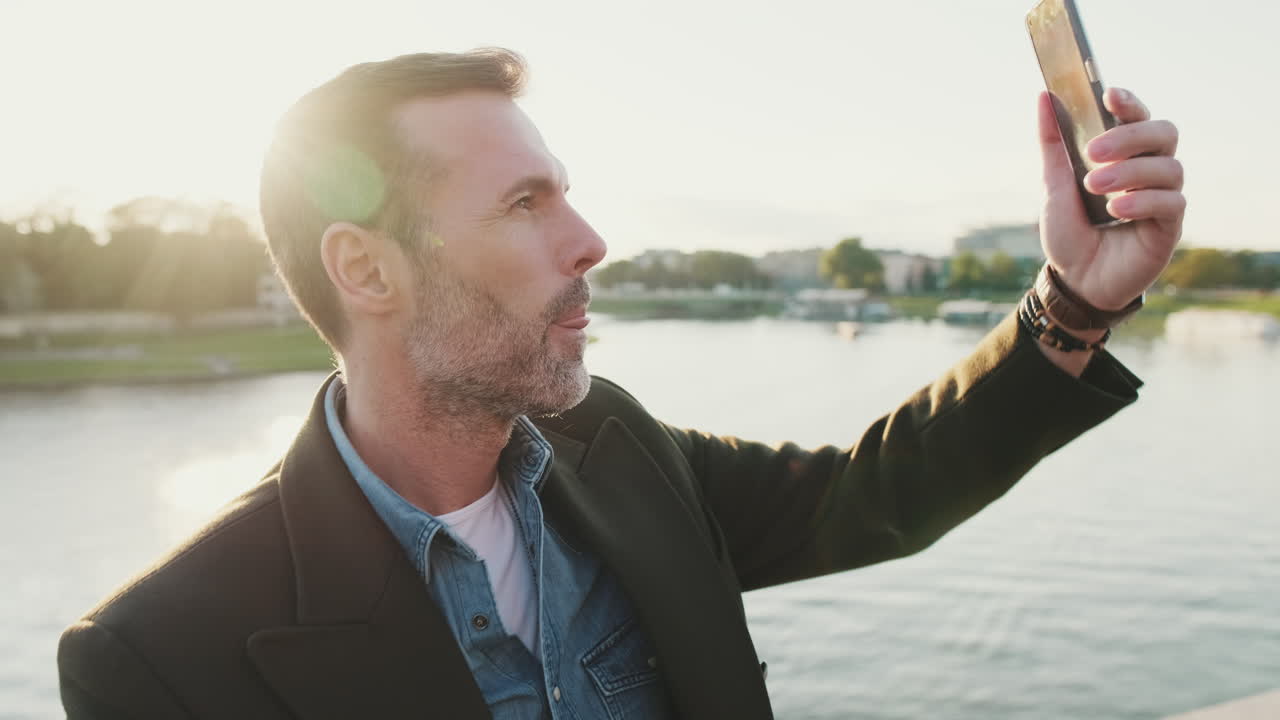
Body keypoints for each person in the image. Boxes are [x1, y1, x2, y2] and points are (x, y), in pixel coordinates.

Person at [57, 48, 1183, 719]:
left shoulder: (617, 444)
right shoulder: (160, 656)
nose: (590, 240)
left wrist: (1072, 302)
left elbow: (868, 495)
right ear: (365, 267)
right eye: (522, 205)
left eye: (566, 193)